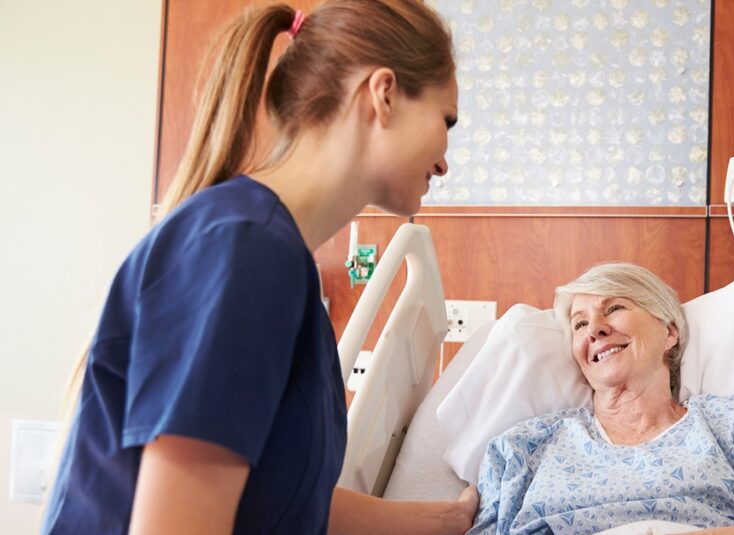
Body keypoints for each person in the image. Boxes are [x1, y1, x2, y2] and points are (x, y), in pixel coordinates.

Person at [42, 2, 477, 534]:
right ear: (382, 95)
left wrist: (448, 520)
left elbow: (280, 499)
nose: (444, 159)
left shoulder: (275, 258)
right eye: (445, 120)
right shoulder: (245, 253)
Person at [467, 263, 734, 534]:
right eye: (580, 323)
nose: (595, 330)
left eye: (614, 308)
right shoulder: (523, 448)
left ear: (669, 333)